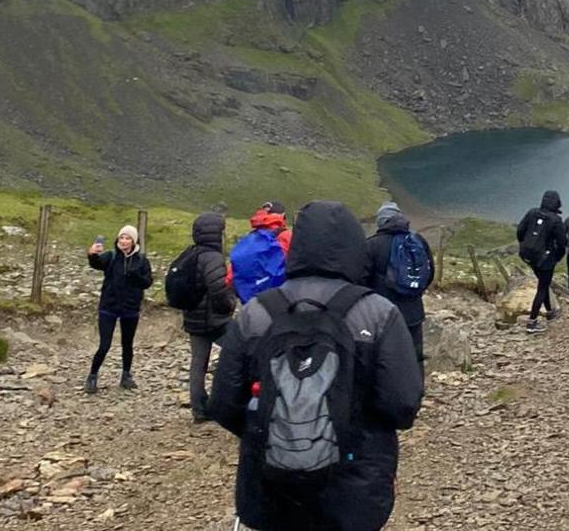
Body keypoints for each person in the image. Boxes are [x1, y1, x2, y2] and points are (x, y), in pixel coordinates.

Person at [208, 201, 423, 531]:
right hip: (353, 489)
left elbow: (223, 403)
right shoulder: (379, 314)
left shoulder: (257, 313)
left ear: (295, 248)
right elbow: (403, 404)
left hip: (270, 485)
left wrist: (271, 427)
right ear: (354, 248)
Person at [180, 212, 237, 422]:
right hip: (215, 320)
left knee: (198, 363)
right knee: (238, 351)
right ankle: (228, 403)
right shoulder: (213, 257)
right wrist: (229, 306)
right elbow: (218, 290)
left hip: (192, 319)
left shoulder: (190, 253)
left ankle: (198, 409)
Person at [85, 225, 154, 395]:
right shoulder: (111, 256)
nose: (124, 241)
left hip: (130, 308)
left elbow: (147, 282)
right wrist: (92, 253)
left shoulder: (142, 260)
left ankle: (126, 375)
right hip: (108, 306)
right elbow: (96, 264)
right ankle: (92, 376)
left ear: (134, 241)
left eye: (128, 238)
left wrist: (135, 276)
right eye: (121, 237)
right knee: (105, 345)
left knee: (127, 344)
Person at [365, 201, 434, 364]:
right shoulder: (417, 239)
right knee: (414, 356)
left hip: (383, 313)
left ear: (381, 222)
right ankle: (417, 387)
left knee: (386, 358)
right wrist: (416, 291)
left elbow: (362, 279)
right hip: (414, 312)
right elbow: (430, 272)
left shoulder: (372, 245)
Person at [516, 190, 568, 333]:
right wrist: (556, 257)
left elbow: (520, 231)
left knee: (543, 283)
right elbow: (562, 243)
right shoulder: (556, 220)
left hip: (528, 256)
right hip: (545, 258)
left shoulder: (532, 212)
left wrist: (524, 245)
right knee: (542, 287)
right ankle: (532, 322)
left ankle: (550, 312)